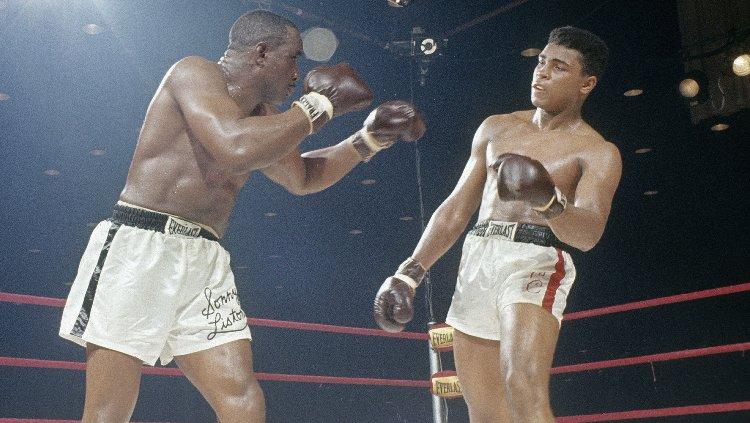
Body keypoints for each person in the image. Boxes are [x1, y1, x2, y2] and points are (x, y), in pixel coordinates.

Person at [58, 10, 425, 422]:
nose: (298, 72)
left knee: (243, 401)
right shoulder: (194, 73)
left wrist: (368, 140)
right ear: (262, 52)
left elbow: (302, 176)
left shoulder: (266, 117)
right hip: (141, 245)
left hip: (204, 259)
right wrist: (319, 105)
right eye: (293, 58)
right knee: (109, 412)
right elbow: (231, 146)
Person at [373, 26, 620, 422]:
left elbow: (588, 234)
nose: (541, 73)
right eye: (541, 62)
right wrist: (409, 274)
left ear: (586, 83)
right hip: (478, 255)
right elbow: (456, 208)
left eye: (559, 67)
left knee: (523, 384)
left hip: (535, 261)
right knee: (485, 410)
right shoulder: (496, 127)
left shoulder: (597, 151)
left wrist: (549, 200)